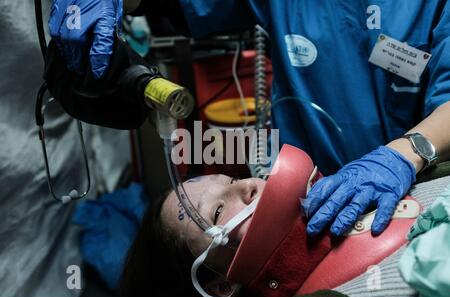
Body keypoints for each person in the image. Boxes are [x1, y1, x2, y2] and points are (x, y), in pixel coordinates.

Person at [48, 0, 450, 238]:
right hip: (303, 203)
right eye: (217, 210)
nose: (239, 189)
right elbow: (171, 5)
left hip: (409, 195)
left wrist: (404, 154)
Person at [119, 167, 450, 297]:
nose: (249, 186)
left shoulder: (374, 178)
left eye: (231, 181)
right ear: (220, 286)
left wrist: (409, 151)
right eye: (217, 211)